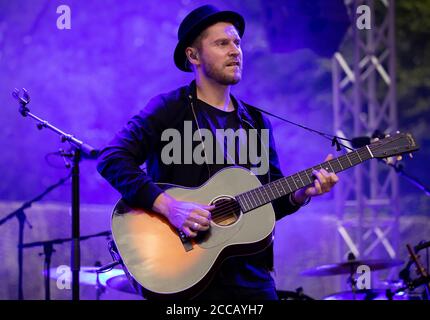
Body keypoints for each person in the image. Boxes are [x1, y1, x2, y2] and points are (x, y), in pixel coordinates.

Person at [97, 5, 339, 300]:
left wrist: (301, 195)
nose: (235, 51)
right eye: (222, 43)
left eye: (237, 43)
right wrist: (170, 207)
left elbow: (269, 203)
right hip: (181, 275)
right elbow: (111, 158)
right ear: (193, 56)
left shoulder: (255, 122)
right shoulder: (168, 109)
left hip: (251, 279)